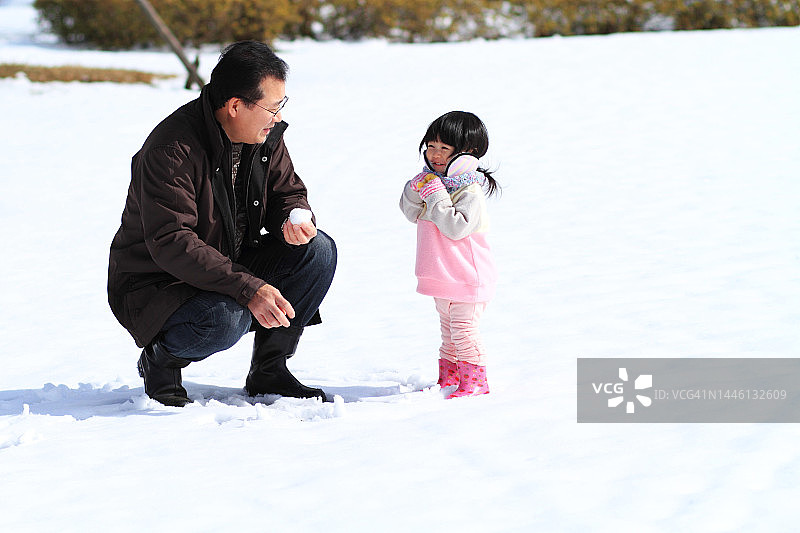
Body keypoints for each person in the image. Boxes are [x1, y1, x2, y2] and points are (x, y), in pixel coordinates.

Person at [107, 41, 336, 407]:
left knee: (317, 251)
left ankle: (269, 370)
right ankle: (160, 362)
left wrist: (292, 218)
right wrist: (248, 288)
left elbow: (287, 192)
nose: (277, 117)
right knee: (226, 319)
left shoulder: (262, 135)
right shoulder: (171, 150)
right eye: (272, 107)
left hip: (226, 261)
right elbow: (172, 240)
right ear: (234, 106)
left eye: (281, 105)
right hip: (158, 283)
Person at [399, 111, 500, 399]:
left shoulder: (469, 191)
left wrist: (435, 194)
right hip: (443, 277)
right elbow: (410, 212)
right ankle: (450, 378)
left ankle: (476, 382)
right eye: (431, 146)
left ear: (469, 152)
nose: (435, 154)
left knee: (464, 332)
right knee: (449, 333)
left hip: (468, 278)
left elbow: (456, 227)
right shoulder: (436, 183)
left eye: (444, 148)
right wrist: (416, 188)